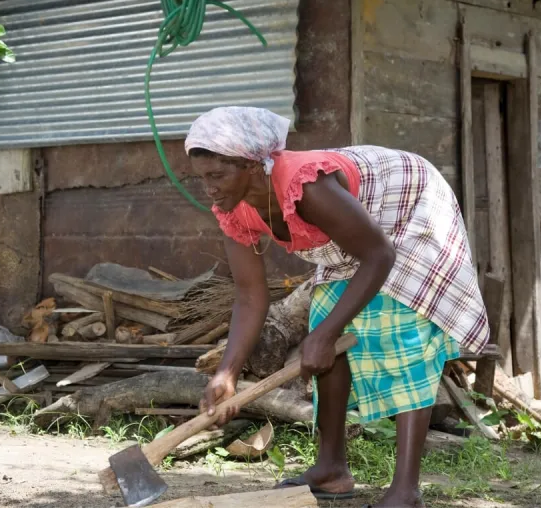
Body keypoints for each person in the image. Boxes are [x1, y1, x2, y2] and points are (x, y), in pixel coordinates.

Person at [186, 107, 489, 508]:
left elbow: (379, 255)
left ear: (253, 166)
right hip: (361, 233)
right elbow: (248, 295)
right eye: (202, 177)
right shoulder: (235, 209)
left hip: (410, 208)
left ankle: (405, 491)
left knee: (399, 329)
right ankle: (331, 469)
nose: (209, 188)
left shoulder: (307, 186)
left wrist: (327, 335)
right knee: (323, 319)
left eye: (217, 175)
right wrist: (227, 372)